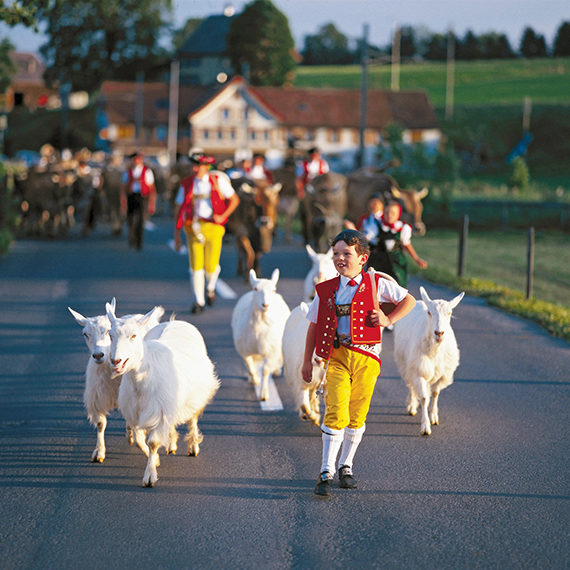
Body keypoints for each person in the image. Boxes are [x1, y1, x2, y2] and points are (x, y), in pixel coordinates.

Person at [302, 229, 416, 497]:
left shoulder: (377, 283)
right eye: (336, 254)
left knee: (357, 414)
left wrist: (388, 319)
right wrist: (307, 361)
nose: (340, 259)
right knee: (335, 410)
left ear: (363, 258)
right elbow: (314, 325)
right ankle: (326, 470)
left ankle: (346, 465)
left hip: (367, 357)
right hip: (337, 357)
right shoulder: (326, 289)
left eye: (346, 254)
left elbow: (408, 300)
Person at [173, 152, 240, 314]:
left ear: (206, 167)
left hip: (214, 226)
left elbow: (234, 200)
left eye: (198, 166)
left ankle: (210, 287)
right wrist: (177, 233)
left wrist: (223, 215)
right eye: (193, 165)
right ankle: (199, 301)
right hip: (193, 226)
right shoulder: (187, 184)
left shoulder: (217, 182)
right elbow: (178, 206)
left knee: (210, 266)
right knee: (196, 267)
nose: (194, 169)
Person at [368, 200, 427, 288]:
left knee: (398, 286)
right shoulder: (376, 225)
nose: (389, 215)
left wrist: (416, 259)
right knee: (377, 287)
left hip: (396, 263)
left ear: (398, 214)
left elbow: (406, 245)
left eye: (392, 213)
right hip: (379, 261)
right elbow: (368, 241)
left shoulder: (402, 228)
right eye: (387, 212)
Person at [121, 152, 156, 250]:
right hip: (131, 195)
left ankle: (139, 241)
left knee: (140, 219)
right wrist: (123, 200)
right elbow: (123, 187)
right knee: (130, 218)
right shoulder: (128, 172)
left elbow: (151, 188)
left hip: (142, 196)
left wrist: (152, 203)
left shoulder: (147, 171)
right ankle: (132, 238)